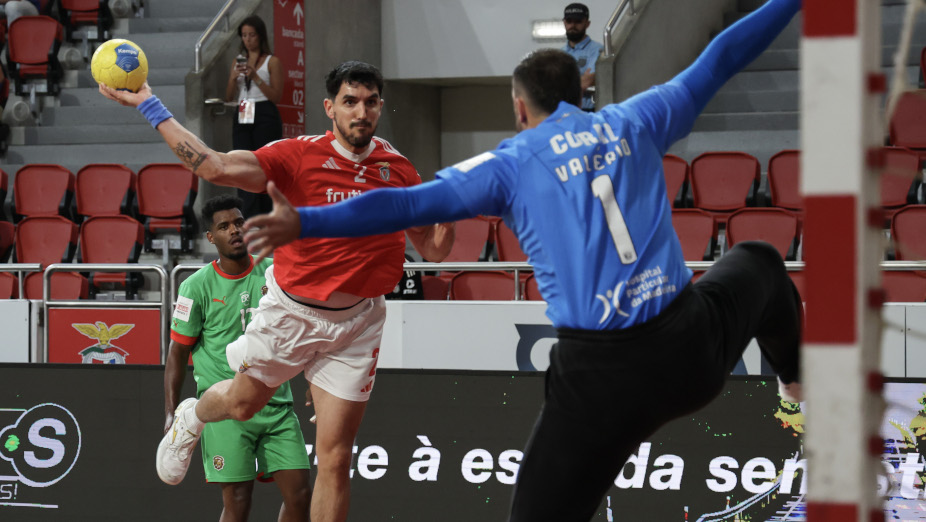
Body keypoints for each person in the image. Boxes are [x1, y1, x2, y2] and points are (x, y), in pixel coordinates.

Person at [242, 1, 803, 520]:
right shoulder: (637, 118)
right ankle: (799, 389)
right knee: (758, 261)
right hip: (690, 351)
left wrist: (307, 221)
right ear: (583, 89)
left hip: (600, 383)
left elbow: (403, 204)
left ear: (518, 107)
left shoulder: (510, 163)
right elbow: (724, 54)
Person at [99, 61, 454, 522]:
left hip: (358, 323)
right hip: (292, 314)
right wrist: (149, 103)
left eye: (370, 102)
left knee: (336, 458)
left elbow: (433, 248)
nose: (360, 112)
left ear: (380, 107)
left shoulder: (399, 170)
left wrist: (453, 210)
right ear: (330, 108)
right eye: (350, 102)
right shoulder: (296, 157)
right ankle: (193, 416)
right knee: (241, 404)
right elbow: (215, 165)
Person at [165, 194, 311, 522]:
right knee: (239, 502)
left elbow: (304, 328)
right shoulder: (195, 287)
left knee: (301, 495)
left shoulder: (274, 272)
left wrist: (313, 379)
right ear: (210, 237)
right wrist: (171, 412)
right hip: (227, 409)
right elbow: (177, 353)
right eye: (224, 226)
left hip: (276, 405)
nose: (234, 230)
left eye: (239, 222)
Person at [224, 15, 283, 219]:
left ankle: (267, 212)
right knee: (241, 163)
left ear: (260, 36)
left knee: (264, 163)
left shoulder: (271, 61)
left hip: (264, 110)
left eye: (251, 35)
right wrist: (233, 78)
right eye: (244, 35)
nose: (247, 40)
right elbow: (229, 96)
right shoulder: (238, 61)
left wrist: (255, 76)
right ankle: (246, 213)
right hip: (243, 109)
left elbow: (276, 96)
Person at [562, 2, 602, 111]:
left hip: (588, 110)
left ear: (587, 24)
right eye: (569, 21)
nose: (573, 26)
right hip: (565, 110)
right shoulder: (560, 53)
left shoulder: (597, 50)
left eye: (578, 21)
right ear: (564, 23)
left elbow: (587, 81)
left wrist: (561, 85)